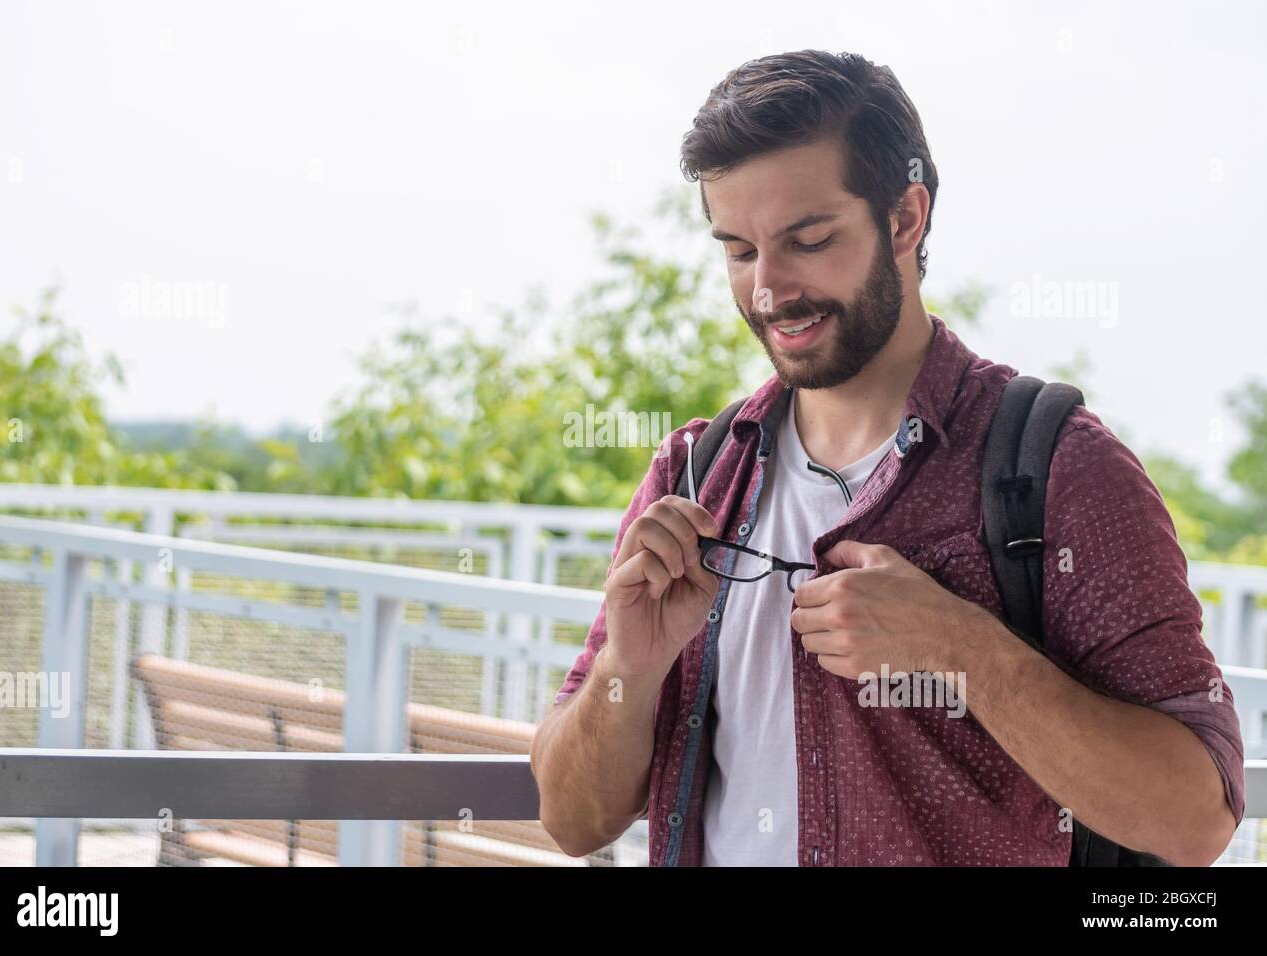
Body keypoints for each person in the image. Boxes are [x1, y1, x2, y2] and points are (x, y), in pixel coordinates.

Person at [529, 49, 1244, 866]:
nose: (768, 289)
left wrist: (962, 650)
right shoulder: (697, 471)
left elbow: (1198, 818)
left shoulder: (1060, 469)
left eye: (809, 239)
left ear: (905, 218)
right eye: (738, 250)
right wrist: (633, 663)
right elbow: (572, 820)